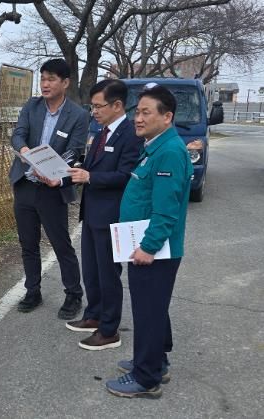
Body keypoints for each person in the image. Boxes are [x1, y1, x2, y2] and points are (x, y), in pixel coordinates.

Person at [105, 83, 193, 398]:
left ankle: (146, 378)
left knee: (148, 311)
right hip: (146, 245)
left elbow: (166, 211)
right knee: (153, 308)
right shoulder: (156, 146)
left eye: (146, 112)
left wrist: (148, 247)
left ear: (167, 116)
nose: (138, 118)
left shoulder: (168, 152)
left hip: (154, 250)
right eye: (137, 112)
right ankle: (157, 361)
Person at [64, 79, 143, 350]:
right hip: (92, 212)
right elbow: (91, 166)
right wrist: (70, 172)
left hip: (111, 215)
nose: (94, 111)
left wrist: (90, 177)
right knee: (92, 271)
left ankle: (109, 330)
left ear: (117, 105)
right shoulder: (101, 132)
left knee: (108, 274)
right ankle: (94, 315)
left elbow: (126, 176)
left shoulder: (130, 135)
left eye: (99, 106)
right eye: (92, 106)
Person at [9, 58, 88, 320]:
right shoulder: (31, 106)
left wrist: (53, 172)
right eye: (43, 78)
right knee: (28, 243)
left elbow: (74, 150)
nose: (45, 84)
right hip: (25, 184)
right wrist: (25, 151)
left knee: (60, 244)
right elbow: (18, 134)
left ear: (65, 83)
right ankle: (32, 291)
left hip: (52, 189)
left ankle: (73, 294)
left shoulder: (78, 115)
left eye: (51, 79)